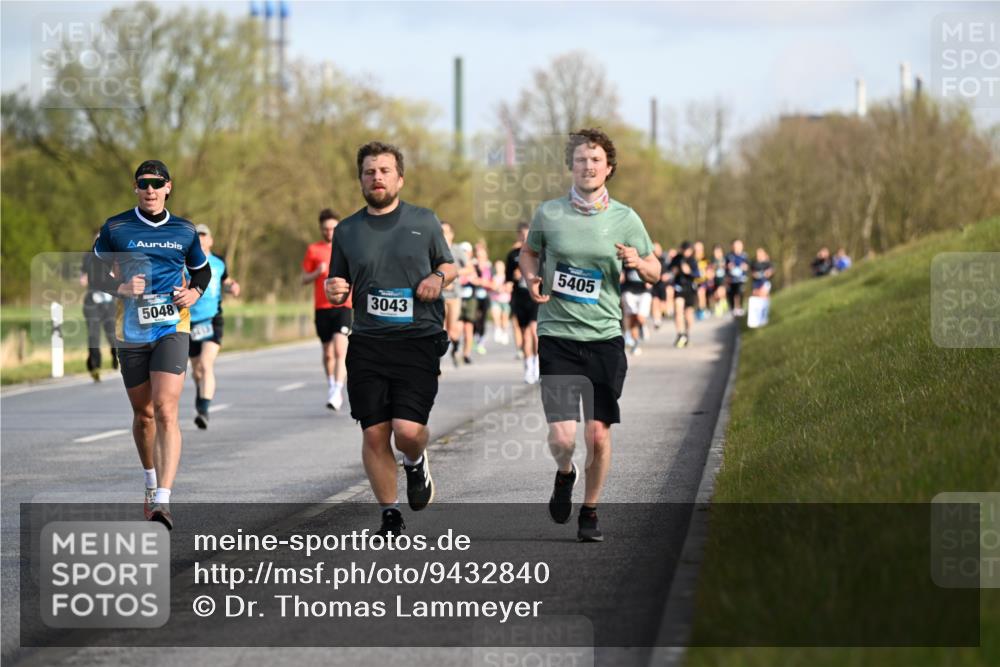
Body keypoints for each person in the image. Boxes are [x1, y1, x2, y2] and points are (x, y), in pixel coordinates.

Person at [520, 128, 658, 542]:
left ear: (608, 168)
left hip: (604, 338)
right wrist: (531, 279)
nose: (588, 165)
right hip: (558, 336)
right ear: (571, 166)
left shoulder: (626, 218)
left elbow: (655, 271)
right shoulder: (549, 214)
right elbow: (530, 252)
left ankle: (591, 510)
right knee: (563, 437)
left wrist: (637, 260)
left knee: (597, 433)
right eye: (581, 159)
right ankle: (565, 473)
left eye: (596, 159)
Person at [326, 141, 456, 538]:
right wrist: (335, 290)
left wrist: (437, 278)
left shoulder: (424, 220)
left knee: (408, 431)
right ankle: (390, 515)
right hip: (367, 341)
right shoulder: (347, 230)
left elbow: (449, 266)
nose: (376, 177)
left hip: (418, 338)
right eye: (369, 171)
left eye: (384, 170)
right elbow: (339, 283)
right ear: (360, 179)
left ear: (399, 178)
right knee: (374, 432)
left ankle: (415, 463)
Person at [91, 159, 210, 530]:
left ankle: (164, 500)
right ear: (136, 188)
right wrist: (119, 287)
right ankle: (149, 481)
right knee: (143, 415)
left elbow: (202, 269)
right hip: (131, 329)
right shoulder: (116, 227)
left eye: (157, 183)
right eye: (144, 183)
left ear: (168, 187)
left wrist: (194, 291)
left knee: (165, 407)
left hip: (172, 326)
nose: (150, 190)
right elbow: (94, 271)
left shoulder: (185, 230)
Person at [187, 224, 240, 429]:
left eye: (203, 236)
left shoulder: (218, 262)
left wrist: (232, 287)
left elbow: (227, 281)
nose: (200, 240)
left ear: (210, 240)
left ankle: (204, 410)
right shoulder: (185, 261)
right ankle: (201, 397)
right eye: (196, 237)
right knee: (196, 370)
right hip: (189, 321)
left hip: (212, 319)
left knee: (206, 364)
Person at [302, 209, 352, 410]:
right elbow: (303, 279)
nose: (329, 232)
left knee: (341, 349)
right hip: (321, 307)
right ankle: (332, 384)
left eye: (333, 228)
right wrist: (317, 272)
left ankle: (337, 391)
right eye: (325, 229)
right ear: (321, 230)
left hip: (343, 306)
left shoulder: (348, 248)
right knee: (328, 353)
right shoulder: (313, 250)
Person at [80, 233, 118, 381]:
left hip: (109, 302)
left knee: (112, 334)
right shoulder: (88, 257)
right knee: (93, 335)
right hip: (93, 301)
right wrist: (84, 278)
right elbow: (83, 276)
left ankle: (116, 357)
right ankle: (95, 366)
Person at [506, 222, 539, 383]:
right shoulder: (513, 255)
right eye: (522, 235)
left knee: (534, 331)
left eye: (528, 234)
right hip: (520, 298)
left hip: (536, 297)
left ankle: (538, 364)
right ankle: (528, 367)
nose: (525, 237)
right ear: (519, 235)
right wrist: (514, 277)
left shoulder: (539, 252)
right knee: (525, 334)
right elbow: (507, 279)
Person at [440, 221, 464, 365]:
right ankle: (438, 362)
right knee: (440, 329)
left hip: (455, 295)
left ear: (451, 234)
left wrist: (453, 274)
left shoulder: (457, 250)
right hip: (440, 295)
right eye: (440, 231)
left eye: (445, 231)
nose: (443, 234)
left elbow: (470, 269)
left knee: (452, 328)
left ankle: (455, 349)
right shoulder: (435, 249)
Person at [668, 241, 700, 348]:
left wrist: (689, 271)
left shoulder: (693, 260)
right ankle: (680, 334)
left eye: (689, 250)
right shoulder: (676, 258)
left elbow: (697, 274)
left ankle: (686, 334)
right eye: (685, 250)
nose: (686, 252)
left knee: (689, 315)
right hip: (679, 288)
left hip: (690, 289)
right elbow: (669, 270)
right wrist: (674, 271)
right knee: (678, 310)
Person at [621, 258, 652, 356]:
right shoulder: (625, 262)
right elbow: (621, 277)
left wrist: (649, 281)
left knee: (640, 317)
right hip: (629, 291)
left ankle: (643, 326)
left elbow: (651, 276)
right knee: (632, 316)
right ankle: (635, 343)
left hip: (643, 293)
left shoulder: (644, 261)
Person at [725, 239, 750, 317]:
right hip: (731, 279)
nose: (737, 248)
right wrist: (728, 267)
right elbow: (725, 267)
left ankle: (740, 308)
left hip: (741, 278)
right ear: (732, 247)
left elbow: (749, 265)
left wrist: (745, 267)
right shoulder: (729, 256)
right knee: (731, 293)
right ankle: (733, 309)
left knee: (740, 291)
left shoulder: (745, 256)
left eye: (739, 246)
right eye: (735, 246)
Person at [490, 259, 511, 345]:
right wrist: (499, 288)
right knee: (496, 316)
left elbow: (509, 288)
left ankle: (505, 332)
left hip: (505, 301)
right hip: (496, 300)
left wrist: (502, 288)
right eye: (497, 266)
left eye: (500, 266)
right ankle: (497, 329)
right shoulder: (494, 277)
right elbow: (493, 286)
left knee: (504, 318)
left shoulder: (507, 277)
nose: (499, 268)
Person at [709, 243, 729, 317]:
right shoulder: (712, 260)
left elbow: (728, 267)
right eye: (715, 252)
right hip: (715, 280)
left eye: (718, 252)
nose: (717, 254)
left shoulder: (725, 259)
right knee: (716, 295)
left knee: (720, 291)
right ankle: (720, 304)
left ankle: (722, 304)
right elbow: (710, 269)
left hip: (723, 279)